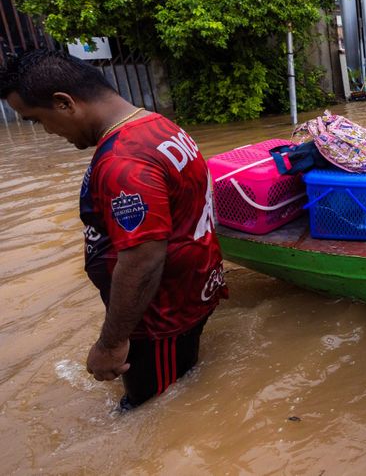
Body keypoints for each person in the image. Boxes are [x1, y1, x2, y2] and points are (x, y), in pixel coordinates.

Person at [0, 50, 226, 409]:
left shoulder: (124, 162)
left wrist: (110, 344)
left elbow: (144, 258)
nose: (48, 132)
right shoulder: (156, 125)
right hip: (189, 293)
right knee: (176, 389)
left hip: (159, 321)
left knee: (152, 415)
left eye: (37, 120)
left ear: (63, 103)